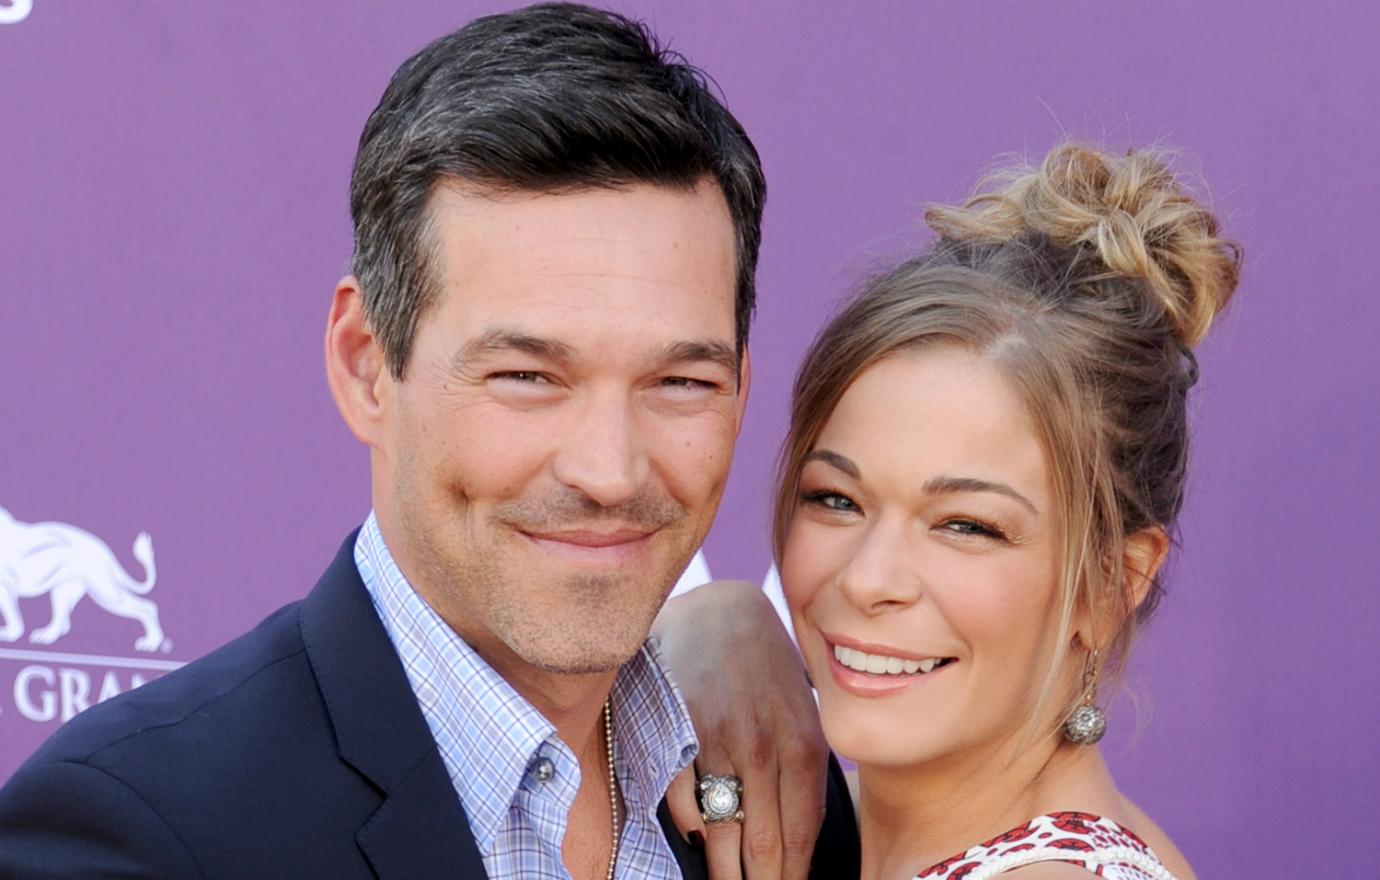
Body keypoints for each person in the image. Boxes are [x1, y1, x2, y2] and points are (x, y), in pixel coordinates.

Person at [0, 5, 857, 879]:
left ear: (743, 386)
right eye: (528, 377)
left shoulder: (777, 793)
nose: (609, 469)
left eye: (680, 383)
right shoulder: (135, 833)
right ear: (367, 364)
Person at [689, 142, 1238, 879]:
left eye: (966, 525)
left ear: (1112, 585)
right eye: (836, 499)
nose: (867, 579)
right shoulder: (828, 827)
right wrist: (702, 623)